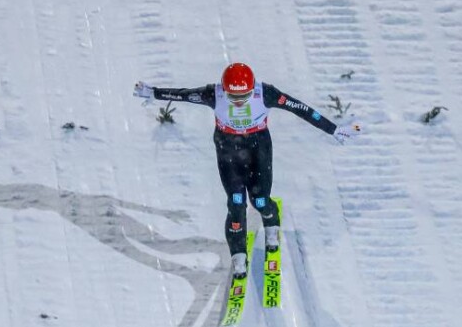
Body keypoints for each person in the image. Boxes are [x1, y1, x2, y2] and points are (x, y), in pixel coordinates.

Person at [133, 62, 359, 278]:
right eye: (234, 97)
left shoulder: (266, 93)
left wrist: (334, 130)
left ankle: (271, 224)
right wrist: (154, 93)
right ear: (225, 90)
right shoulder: (214, 94)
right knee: (236, 202)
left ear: (252, 90)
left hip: (257, 147)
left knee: (260, 200)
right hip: (228, 150)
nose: (239, 102)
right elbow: (183, 94)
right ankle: (239, 253)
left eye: (244, 96)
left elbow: (300, 108)